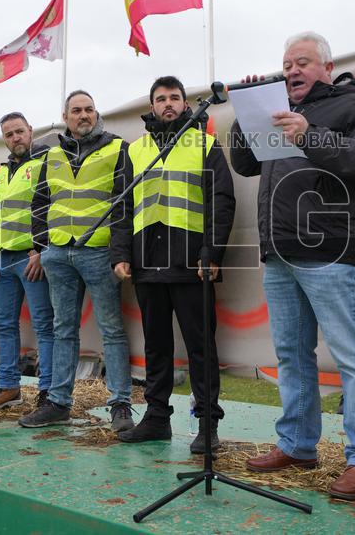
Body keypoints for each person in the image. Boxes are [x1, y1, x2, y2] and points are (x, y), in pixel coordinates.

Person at [229, 31, 355, 500]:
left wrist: (310, 134)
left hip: (332, 252)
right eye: (286, 64)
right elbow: (244, 163)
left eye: (302, 62)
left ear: (326, 66)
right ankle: (298, 446)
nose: (292, 70)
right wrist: (247, 113)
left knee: (352, 358)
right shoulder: (274, 108)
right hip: (280, 252)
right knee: (291, 356)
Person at [111, 76, 236, 452]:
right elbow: (122, 206)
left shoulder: (205, 145)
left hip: (190, 263)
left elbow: (222, 202)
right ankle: (156, 418)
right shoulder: (134, 150)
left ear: (185, 103)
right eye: (161, 98)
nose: (168, 103)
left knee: (201, 347)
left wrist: (212, 254)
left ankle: (208, 424)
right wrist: (120, 254)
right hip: (147, 263)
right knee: (156, 346)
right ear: (151, 106)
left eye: (175, 97)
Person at [19, 90, 135, 432]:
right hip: (58, 254)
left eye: (88, 110)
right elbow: (39, 201)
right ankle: (58, 403)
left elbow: (124, 203)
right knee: (63, 330)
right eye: (76, 111)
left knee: (112, 330)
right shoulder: (51, 154)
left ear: (96, 114)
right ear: (65, 117)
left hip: (99, 252)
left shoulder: (117, 147)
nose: (83, 115)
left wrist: (119, 253)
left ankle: (120, 405)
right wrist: (42, 246)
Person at [0, 112, 56, 412]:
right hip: (1, 260)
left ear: (30, 131)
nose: (15, 138)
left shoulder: (46, 163)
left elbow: (53, 207)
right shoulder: (2, 171)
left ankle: (47, 392)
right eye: (9, 135)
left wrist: (42, 250)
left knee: (44, 327)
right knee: (5, 326)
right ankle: (8, 387)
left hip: (31, 257)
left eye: (19, 132)